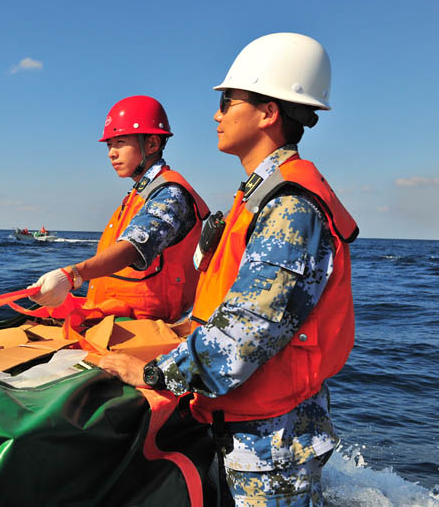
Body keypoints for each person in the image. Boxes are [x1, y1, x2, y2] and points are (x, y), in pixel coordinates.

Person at [99, 33, 359, 506]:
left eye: (228, 101)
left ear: (268, 112)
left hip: (273, 444)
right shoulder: (258, 197)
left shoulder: (290, 208)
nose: (217, 115)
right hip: (245, 428)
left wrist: (154, 374)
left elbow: (248, 329)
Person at [29, 95, 209, 323]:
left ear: (152, 144)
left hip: (150, 329)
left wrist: (72, 274)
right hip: (119, 320)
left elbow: (133, 248)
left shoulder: (170, 193)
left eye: (120, 142)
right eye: (109, 145)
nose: (111, 153)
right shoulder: (139, 195)